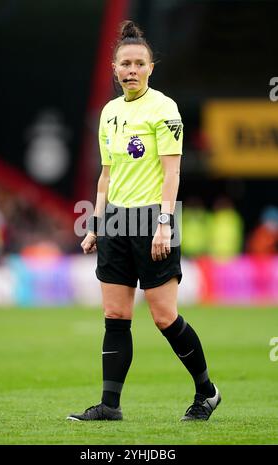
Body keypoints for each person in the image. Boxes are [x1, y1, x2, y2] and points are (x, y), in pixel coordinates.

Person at [67, 20, 221, 422]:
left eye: (139, 63)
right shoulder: (109, 112)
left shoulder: (165, 109)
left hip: (154, 218)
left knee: (164, 316)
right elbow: (106, 175)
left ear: (150, 68)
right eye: (125, 64)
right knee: (116, 316)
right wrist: (96, 225)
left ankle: (206, 392)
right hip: (117, 221)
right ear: (114, 69)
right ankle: (110, 406)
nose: (131, 70)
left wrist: (166, 223)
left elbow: (173, 173)